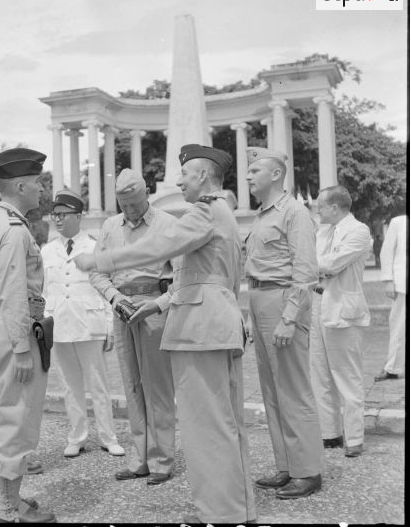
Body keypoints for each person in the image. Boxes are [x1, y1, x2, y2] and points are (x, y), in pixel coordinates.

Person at [78, 146, 256, 525]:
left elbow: (161, 246)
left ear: (204, 177)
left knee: (205, 425)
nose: (178, 181)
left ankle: (221, 512)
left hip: (200, 328)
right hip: (213, 324)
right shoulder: (221, 211)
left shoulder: (205, 210)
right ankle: (229, 508)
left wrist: (100, 261)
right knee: (220, 422)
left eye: (185, 174)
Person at [0, 147, 56, 523]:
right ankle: (7, 508)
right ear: (21, 185)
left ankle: (11, 499)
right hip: (14, 328)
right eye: (38, 182)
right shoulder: (11, 230)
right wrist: (23, 348)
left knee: (1, 411)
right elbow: (13, 291)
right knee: (16, 417)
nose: (42, 189)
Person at [89, 169, 176, 486]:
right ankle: (139, 458)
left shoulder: (168, 224)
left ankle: (162, 459)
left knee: (159, 387)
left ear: (147, 195)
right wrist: (115, 299)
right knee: (132, 385)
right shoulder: (111, 227)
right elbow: (98, 272)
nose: (130, 212)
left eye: (135, 205)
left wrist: (160, 304)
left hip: (153, 307)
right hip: (122, 308)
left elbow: (182, 278)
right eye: (124, 206)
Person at [245, 146, 323, 499]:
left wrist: (289, 318)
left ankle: (308, 471)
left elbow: (305, 271)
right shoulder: (262, 215)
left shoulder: (294, 212)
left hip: (282, 302)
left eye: (254, 170)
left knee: (293, 390)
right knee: (273, 392)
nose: (248, 176)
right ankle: (286, 467)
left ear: (276, 174)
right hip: (261, 299)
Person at [41, 189, 125, 459]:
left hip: (90, 324)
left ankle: (108, 436)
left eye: (63, 214)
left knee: (98, 384)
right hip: (60, 324)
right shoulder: (47, 251)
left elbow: (107, 286)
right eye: (55, 215)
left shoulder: (93, 247)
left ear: (79, 216)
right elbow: (44, 291)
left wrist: (110, 326)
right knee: (69, 384)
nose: (58, 220)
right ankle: (76, 436)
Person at [310, 186, 371, 458]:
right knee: (320, 374)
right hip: (318, 305)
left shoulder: (358, 230)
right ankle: (329, 432)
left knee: (347, 376)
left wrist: (306, 262)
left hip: (344, 311)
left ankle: (355, 437)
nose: (317, 210)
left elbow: (333, 264)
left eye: (320, 206)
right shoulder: (324, 232)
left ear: (335, 207)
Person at [375, 214, 407, 381]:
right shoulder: (399, 222)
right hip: (403, 284)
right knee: (399, 327)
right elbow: (386, 252)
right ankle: (392, 368)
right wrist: (388, 280)